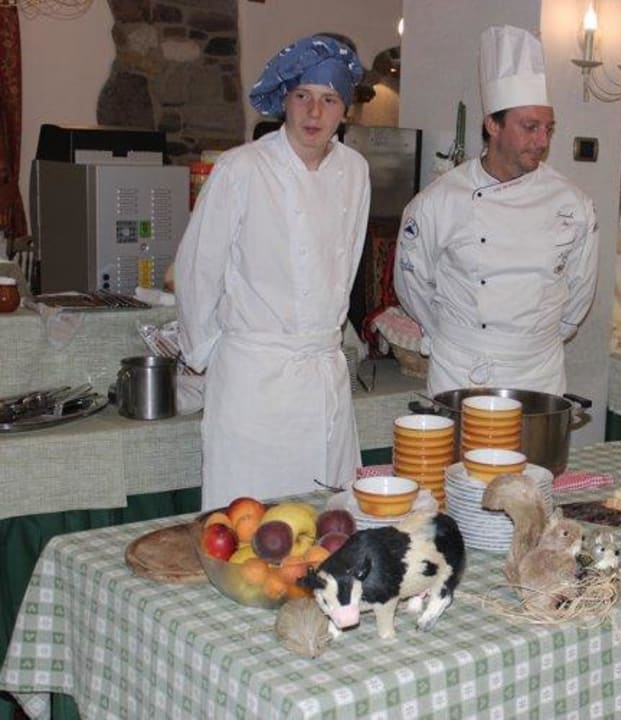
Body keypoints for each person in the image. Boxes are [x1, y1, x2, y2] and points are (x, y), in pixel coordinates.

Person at [175, 35, 371, 510]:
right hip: (254, 382)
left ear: (344, 110)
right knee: (246, 525)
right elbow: (197, 268)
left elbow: (346, 265)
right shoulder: (241, 168)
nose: (314, 113)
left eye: (329, 100)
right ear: (284, 100)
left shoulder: (355, 170)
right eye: (302, 96)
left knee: (328, 527)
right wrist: (205, 353)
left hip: (324, 378)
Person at [394, 25, 598, 396]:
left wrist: (532, 340)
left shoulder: (572, 203)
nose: (542, 141)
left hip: (539, 370)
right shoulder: (438, 201)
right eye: (530, 127)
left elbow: (580, 289)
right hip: (463, 368)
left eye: (548, 129)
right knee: (458, 457)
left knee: (536, 458)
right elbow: (411, 283)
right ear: (492, 125)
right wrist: (456, 336)